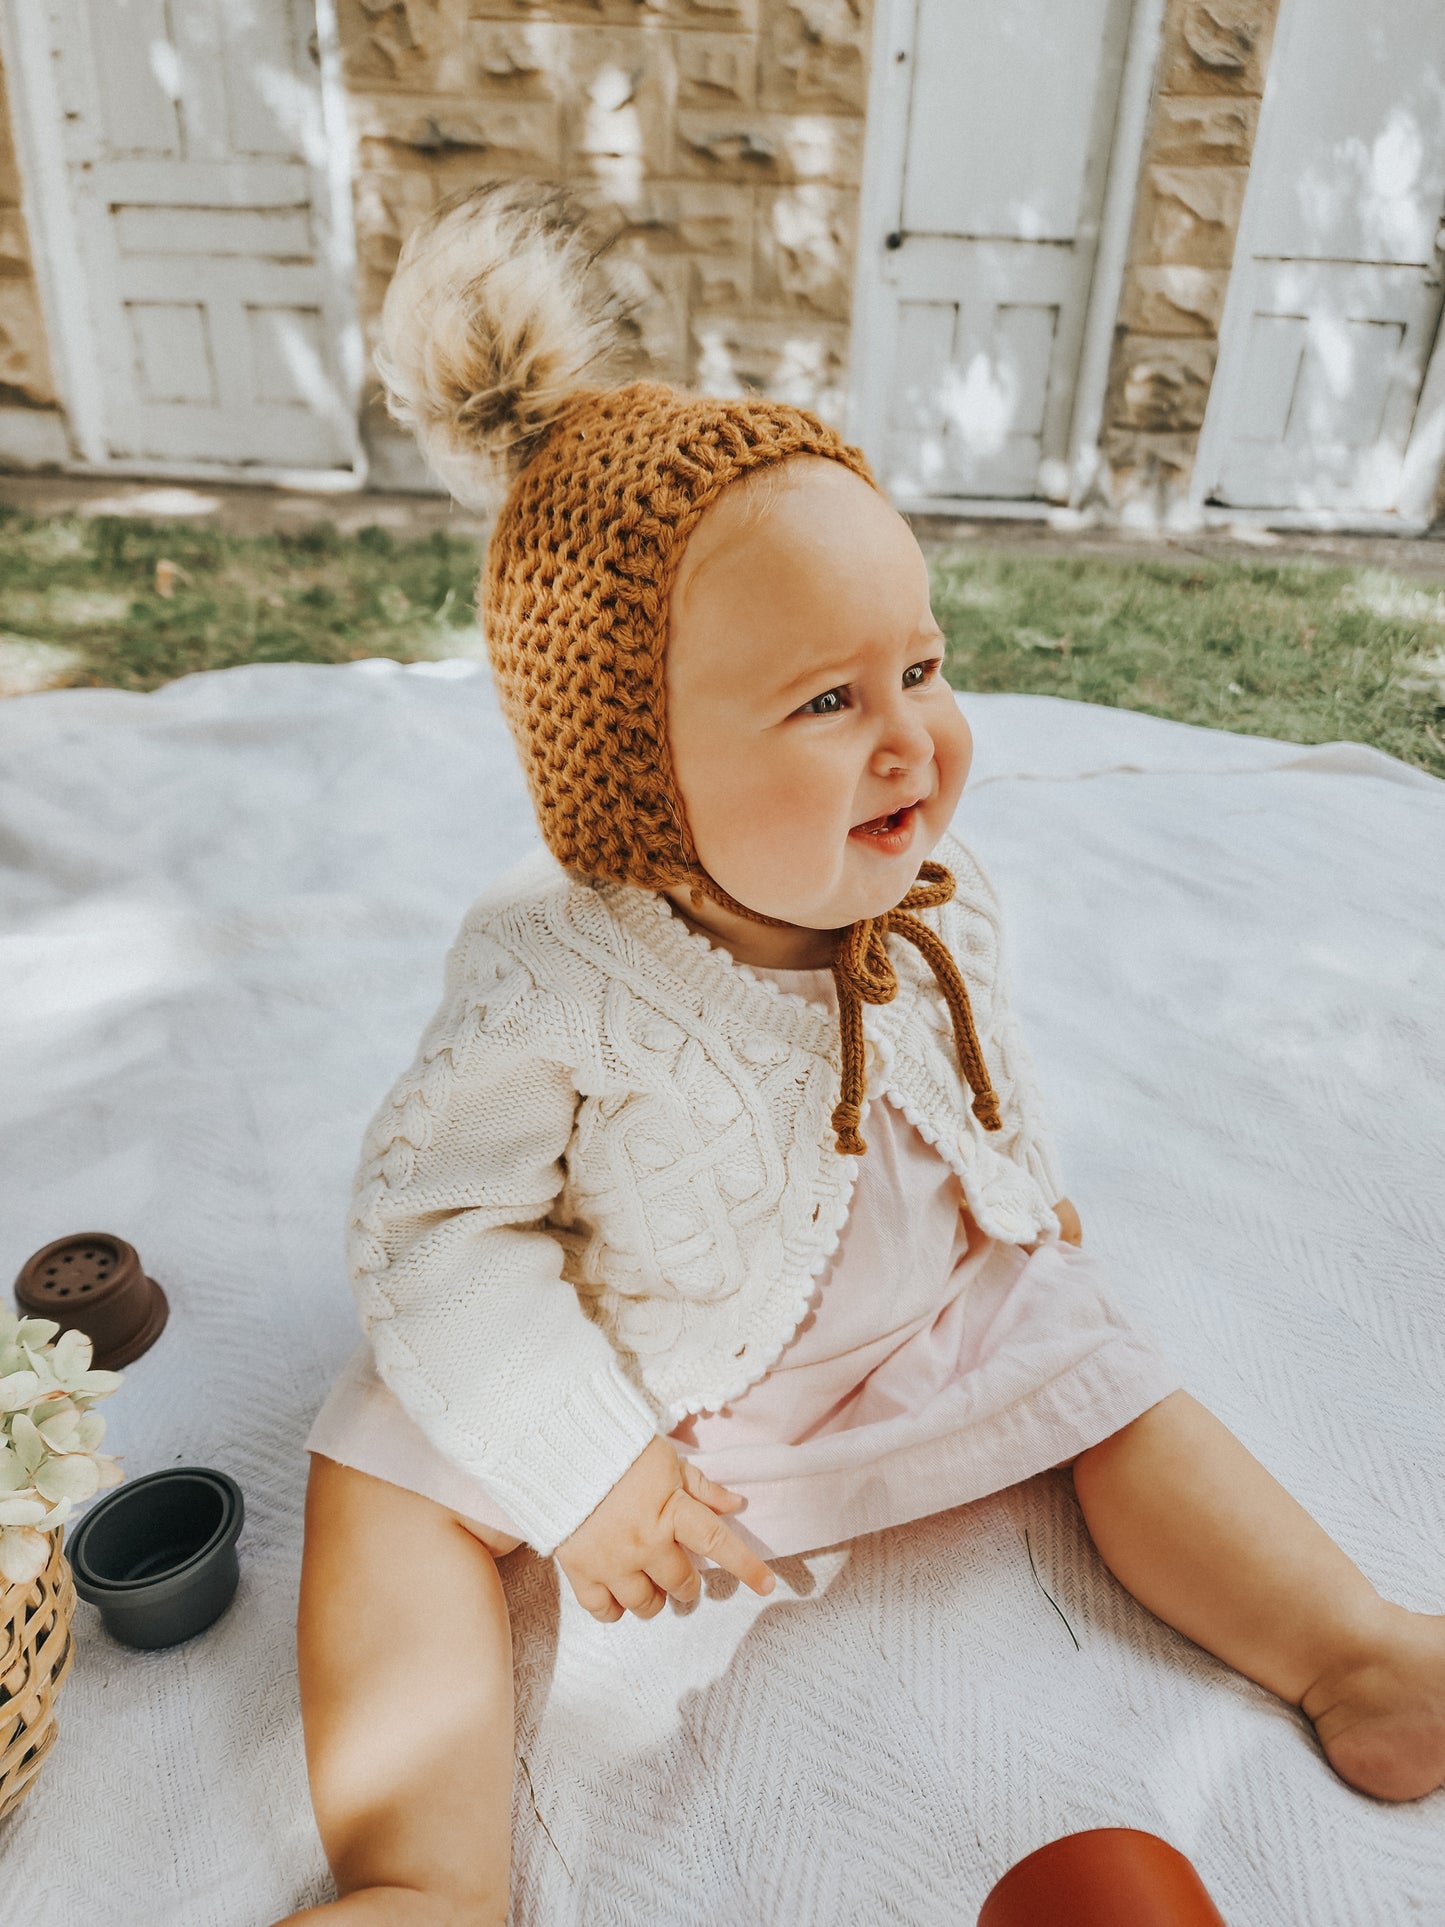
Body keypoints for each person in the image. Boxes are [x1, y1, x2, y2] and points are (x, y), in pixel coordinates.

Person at [282, 181, 1445, 1927]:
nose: (913, 740)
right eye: (827, 702)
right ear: (636, 783)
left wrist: (1017, 1224)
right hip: (659, 1347)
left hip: (915, 1310)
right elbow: (433, 1229)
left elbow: (984, 1099)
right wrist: (584, 1458)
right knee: (383, 1470)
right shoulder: (558, 967)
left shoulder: (922, 885)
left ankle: (1354, 1652)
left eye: (922, 662)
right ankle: (419, 1873)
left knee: (1100, 1369)